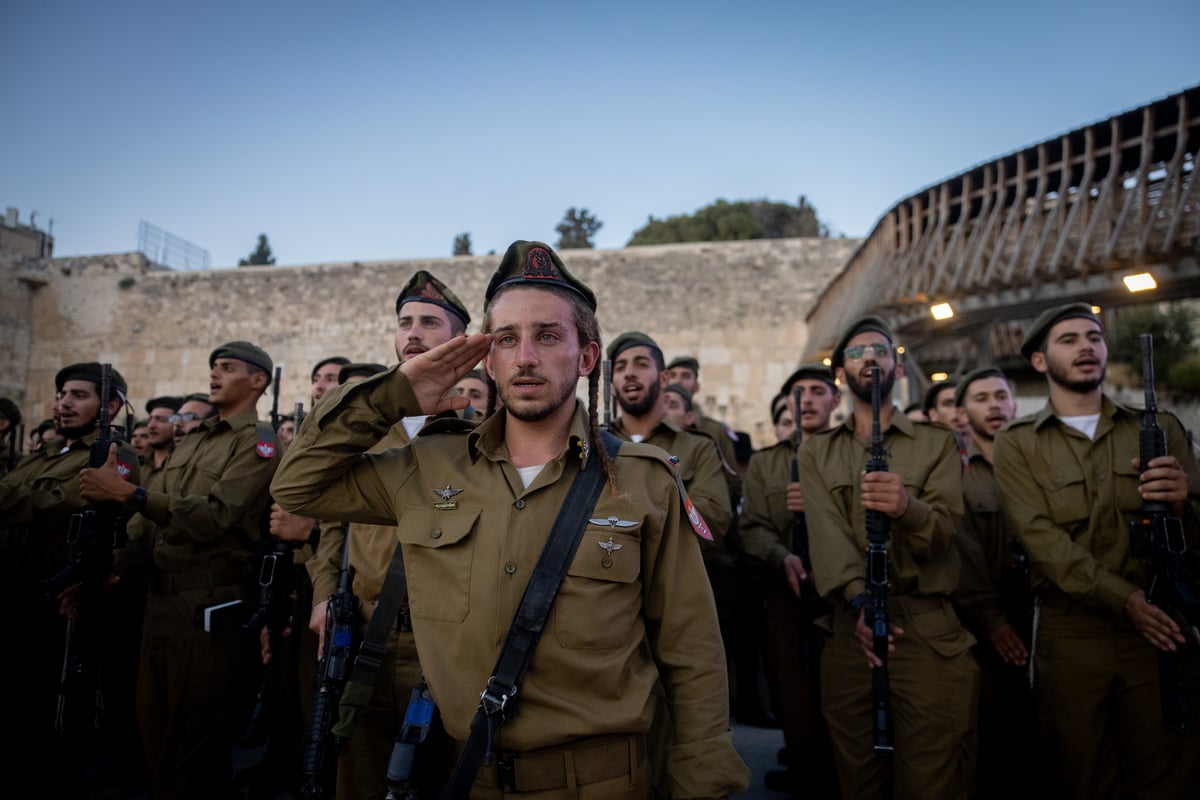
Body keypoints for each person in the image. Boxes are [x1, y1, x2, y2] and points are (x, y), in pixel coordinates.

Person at [272, 239, 750, 798]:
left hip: (604, 781)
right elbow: (298, 485)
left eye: (548, 336)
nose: (525, 357)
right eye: (506, 339)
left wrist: (700, 779)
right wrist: (394, 395)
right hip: (466, 775)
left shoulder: (643, 481)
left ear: (587, 357)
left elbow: (690, 647)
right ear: (488, 358)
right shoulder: (428, 465)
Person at [278, 269, 472, 800]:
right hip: (364, 632)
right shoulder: (364, 424)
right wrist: (323, 599)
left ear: (459, 340)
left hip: (447, 639)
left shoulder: (478, 426)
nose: (413, 332)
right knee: (356, 773)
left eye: (430, 322)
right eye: (404, 322)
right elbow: (331, 525)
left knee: (444, 778)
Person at [992, 302, 1200, 798]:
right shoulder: (1018, 443)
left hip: (1161, 628)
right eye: (1069, 340)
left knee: (1167, 771)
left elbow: (1197, 528)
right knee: (1081, 772)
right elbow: (1042, 541)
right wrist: (1125, 600)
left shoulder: (1161, 427)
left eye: (1095, 337)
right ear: (1040, 361)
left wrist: (1183, 504)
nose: (1086, 347)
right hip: (1073, 635)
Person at [80, 341, 280, 799]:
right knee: (153, 733)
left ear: (257, 381)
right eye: (213, 367)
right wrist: (110, 572)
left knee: (193, 745)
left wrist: (126, 494)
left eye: (227, 368)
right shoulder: (196, 440)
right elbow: (146, 526)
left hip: (208, 606)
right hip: (160, 605)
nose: (215, 375)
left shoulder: (258, 441)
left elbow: (214, 515)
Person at [798, 316, 977, 799]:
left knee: (932, 778)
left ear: (897, 368)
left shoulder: (937, 443)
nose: (869, 360)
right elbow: (827, 539)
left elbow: (945, 532)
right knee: (859, 779)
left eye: (880, 351)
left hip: (924, 630)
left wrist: (906, 508)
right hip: (851, 631)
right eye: (855, 354)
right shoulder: (816, 453)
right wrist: (860, 602)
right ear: (840, 374)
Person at [0, 363, 141, 796]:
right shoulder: (43, 455)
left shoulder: (113, 459)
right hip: (13, 593)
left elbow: (55, 505)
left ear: (111, 406)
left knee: (47, 717)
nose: (64, 402)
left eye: (79, 395)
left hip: (58, 603)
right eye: (63, 393)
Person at [740, 364, 842, 798]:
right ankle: (804, 768)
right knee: (793, 693)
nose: (808, 400)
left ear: (835, 400)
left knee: (843, 695)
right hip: (788, 596)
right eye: (798, 393)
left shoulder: (852, 453)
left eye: (818, 391)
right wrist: (781, 558)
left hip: (843, 599)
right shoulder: (766, 464)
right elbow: (753, 527)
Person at [951, 366, 1048, 799]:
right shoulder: (956, 472)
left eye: (1000, 396)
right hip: (985, 617)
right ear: (963, 411)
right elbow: (963, 553)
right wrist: (992, 620)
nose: (994, 406)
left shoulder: (1041, 460)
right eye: (981, 398)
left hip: (1047, 608)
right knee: (995, 730)